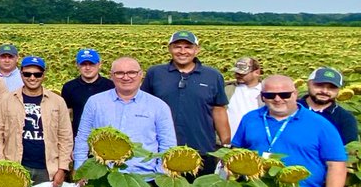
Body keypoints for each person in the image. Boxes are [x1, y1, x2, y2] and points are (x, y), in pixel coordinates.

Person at [232, 75, 347, 187]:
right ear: (262, 97)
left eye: (284, 94)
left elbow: (336, 165)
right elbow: (236, 152)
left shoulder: (320, 124)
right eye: (270, 95)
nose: (277, 99)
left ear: (295, 94)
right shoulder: (250, 118)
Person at [141, 31, 229, 174]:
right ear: (169, 48)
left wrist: (226, 145)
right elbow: (144, 108)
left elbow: (219, 110)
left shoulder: (213, 76)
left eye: (188, 47)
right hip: (161, 150)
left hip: (202, 149)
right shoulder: (155, 73)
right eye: (177, 47)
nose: (182, 51)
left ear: (197, 49)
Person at [74, 57, 176, 175]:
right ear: (111, 75)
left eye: (132, 72)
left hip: (144, 178)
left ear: (141, 74)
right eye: (119, 73)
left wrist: (161, 174)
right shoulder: (95, 102)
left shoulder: (158, 106)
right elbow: (83, 138)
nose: (126, 77)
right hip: (102, 176)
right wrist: (80, 169)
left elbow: (168, 145)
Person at [0, 56, 72, 187]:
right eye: (27, 74)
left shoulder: (57, 101)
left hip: (47, 169)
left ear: (44, 75)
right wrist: (1, 163)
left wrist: (62, 168)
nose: (32, 78)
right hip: (15, 166)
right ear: (21, 74)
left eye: (37, 74)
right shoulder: (7, 100)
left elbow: (65, 137)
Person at [301, 67, 359, 144]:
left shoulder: (345, 118)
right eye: (319, 85)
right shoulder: (291, 108)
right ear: (308, 84)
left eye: (332, 87)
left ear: (339, 89)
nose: (325, 91)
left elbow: (350, 149)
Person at [60, 49, 114, 129]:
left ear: (99, 64)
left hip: (106, 136)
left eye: (91, 64)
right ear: (78, 65)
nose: (87, 68)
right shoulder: (69, 87)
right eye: (83, 64)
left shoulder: (111, 86)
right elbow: (66, 116)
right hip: (78, 136)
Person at [226, 57, 263, 138]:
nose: (237, 75)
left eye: (242, 73)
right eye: (236, 72)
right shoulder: (227, 89)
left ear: (256, 72)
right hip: (226, 142)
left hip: (255, 141)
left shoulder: (267, 91)